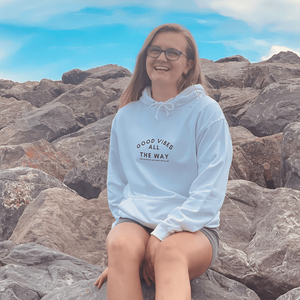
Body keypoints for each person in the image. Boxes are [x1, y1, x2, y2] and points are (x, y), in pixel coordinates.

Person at [94, 23, 233, 300]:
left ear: (188, 64)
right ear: (145, 57)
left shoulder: (206, 112)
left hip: (192, 229)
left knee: (169, 254)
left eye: (172, 53)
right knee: (120, 246)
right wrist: (124, 261)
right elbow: (118, 182)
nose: (161, 58)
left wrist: (161, 234)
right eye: (154, 50)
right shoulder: (126, 116)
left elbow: (209, 191)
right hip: (136, 221)